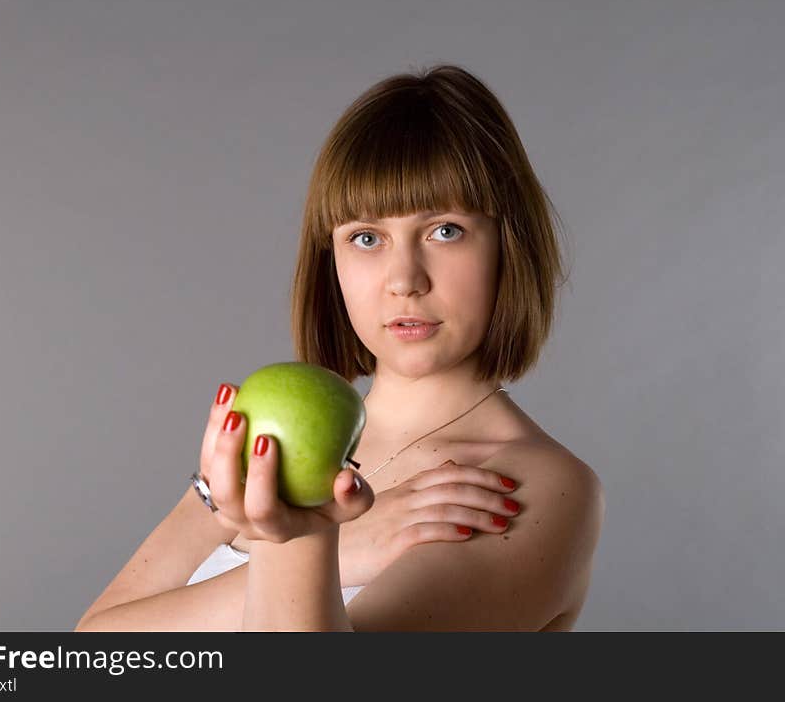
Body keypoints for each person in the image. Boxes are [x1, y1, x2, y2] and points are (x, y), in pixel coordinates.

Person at [74, 63, 605, 632]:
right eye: (366, 238)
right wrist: (346, 548)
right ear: (332, 262)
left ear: (508, 245)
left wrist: (300, 541)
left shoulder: (534, 487)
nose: (405, 278)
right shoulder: (269, 442)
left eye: (445, 230)